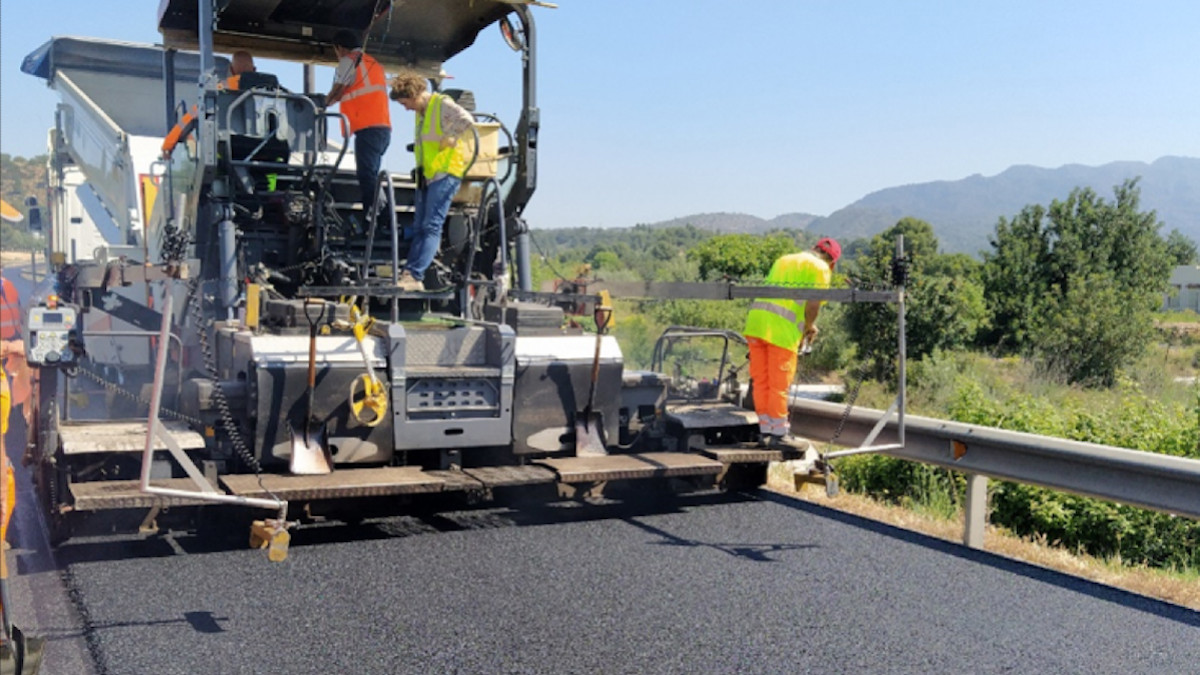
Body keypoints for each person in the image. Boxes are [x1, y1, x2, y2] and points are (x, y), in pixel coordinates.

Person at [743, 237, 841, 448]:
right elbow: (812, 306)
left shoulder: (784, 259)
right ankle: (779, 434)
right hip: (781, 331)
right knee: (779, 384)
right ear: (832, 263)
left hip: (756, 324)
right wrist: (809, 326)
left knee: (761, 382)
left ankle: (765, 431)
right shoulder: (821, 268)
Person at [388, 71, 474, 291]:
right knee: (420, 226)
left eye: (405, 103)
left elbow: (467, 119)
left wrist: (452, 136)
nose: (405, 108)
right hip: (430, 175)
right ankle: (409, 273)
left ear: (414, 94)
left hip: (446, 172)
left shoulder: (441, 104)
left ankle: (416, 275)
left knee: (431, 225)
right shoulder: (422, 112)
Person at [326, 29, 391, 222]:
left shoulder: (349, 61)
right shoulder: (374, 64)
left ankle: (375, 218)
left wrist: (323, 103)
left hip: (367, 128)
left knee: (366, 176)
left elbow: (338, 90)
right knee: (372, 174)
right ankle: (382, 217)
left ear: (339, 47)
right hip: (383, 128)